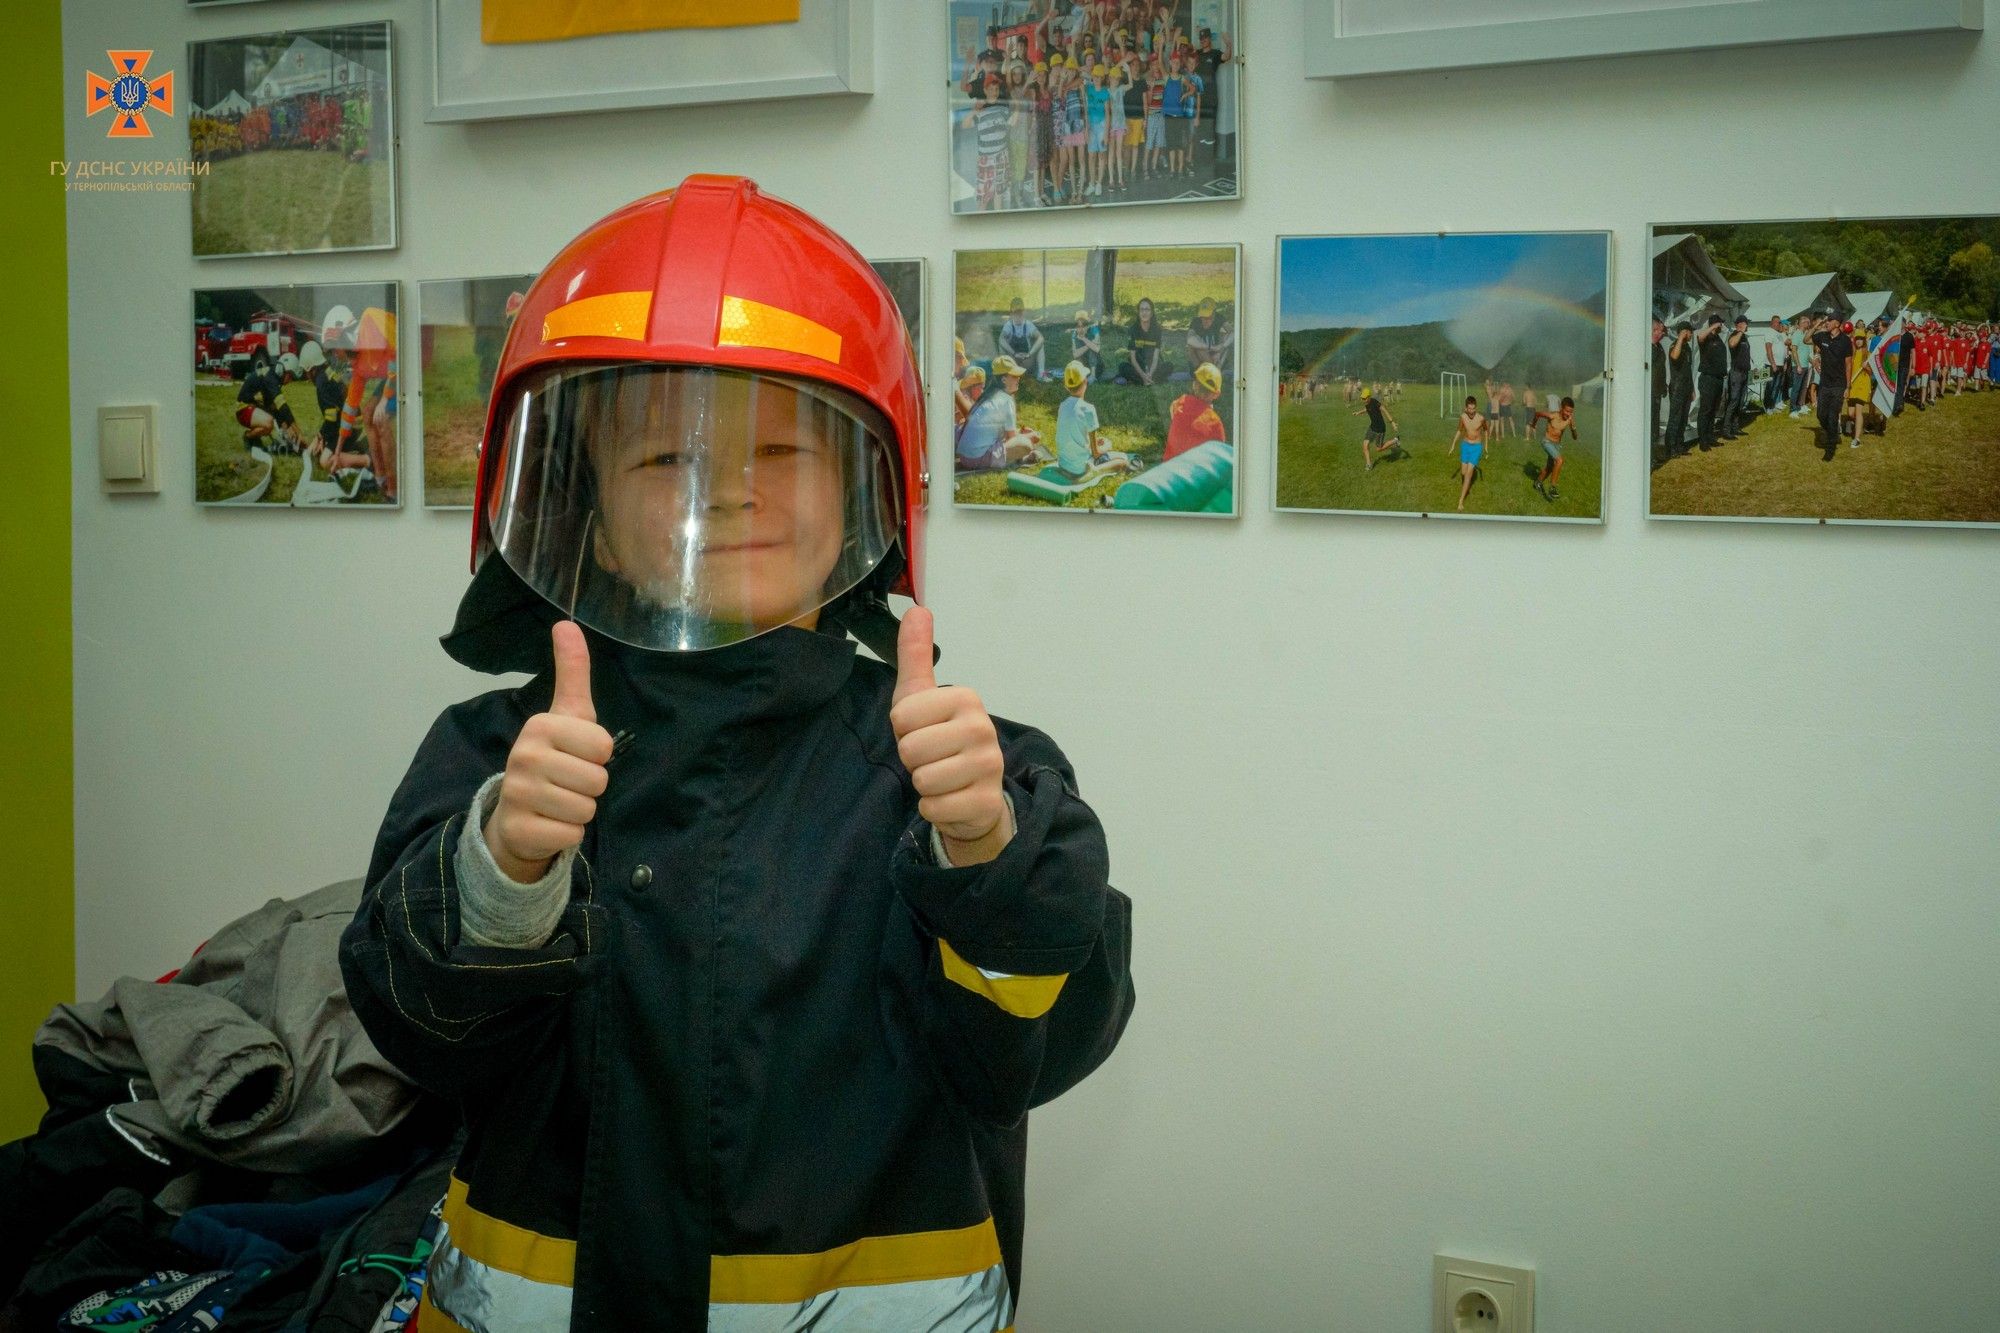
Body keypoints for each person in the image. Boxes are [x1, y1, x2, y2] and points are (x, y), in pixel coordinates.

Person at [338, 176, 1135, 1333]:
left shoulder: (955, 777)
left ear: (869, 487)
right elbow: (413, 1032)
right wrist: (504, 871)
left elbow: (1041, 1048)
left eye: (785, 448)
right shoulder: (498, 759)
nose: (733, 486)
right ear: (588, 510)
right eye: (664, 462)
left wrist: (987, 854)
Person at [955, 354, 1042, 471]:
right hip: (976, 459)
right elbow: (1012, 439)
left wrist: (1019, 432)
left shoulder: (989, 396)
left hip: (965, 456)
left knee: (1023, 440)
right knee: (1025, 444)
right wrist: (1030, 436)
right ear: (1003, 379)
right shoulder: (1006, 400)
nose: (1019, 378)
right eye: (1015, 376)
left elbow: (1004, 435)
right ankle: (1024, 458)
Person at [1053, 359, 1133, 479]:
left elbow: (1073, 436)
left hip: (1063, 464)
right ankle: (1094, 471)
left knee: (1107, 453)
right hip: (1080, 468)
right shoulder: (1088, 409)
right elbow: (1096, 454)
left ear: (1066, 386)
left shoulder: (1062, 406)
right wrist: (1107, 446)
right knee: (1123, 460)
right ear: (1085, 381)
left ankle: (1092, 468)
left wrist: (1093, 444)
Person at [1164, 361, 1227, 462]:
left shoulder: (1181, 402)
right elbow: (1219, 458)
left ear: (1194, 385)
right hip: (1195, 475)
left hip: (1169, 469)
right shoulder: (1216, 423)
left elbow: (1172, 408)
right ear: (1216, 394)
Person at [1810, 313, 1854, 449]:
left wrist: (1847, 387)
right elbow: (1806, 339)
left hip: (1838, 384)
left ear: (1837, 324)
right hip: (1824, 383)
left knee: (1833, 413)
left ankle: (1832, 439)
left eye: (1830, 320)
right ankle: (1832, 432)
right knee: (1820, 414)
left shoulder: (1845, 341)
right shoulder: (1822, 336)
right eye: (1827, 320)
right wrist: (1818, 324)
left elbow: (1848, 365)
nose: (1827, 322)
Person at [1531, 396, 1579, 501]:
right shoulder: (1553, 415)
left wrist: (1573, 427)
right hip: (1546, 441)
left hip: (1556, 445)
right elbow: (1537, 414)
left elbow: (1575, 438)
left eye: (1571, 412)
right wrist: (1534, 424)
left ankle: (1537, 483)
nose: (1568, 414)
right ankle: (1552, 488)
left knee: (1550, 468)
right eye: (1567, 411)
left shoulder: (1570, 420)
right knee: (1559, 460)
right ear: (1561, 408)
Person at [1694, 314, 1728, 450]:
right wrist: (1712, 326)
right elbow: (1700, 337)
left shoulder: (1718, 338)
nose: (1722, 326)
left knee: (1713, 410)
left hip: (1718, 379)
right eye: (1720, 324)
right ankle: (1703, 441)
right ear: (1715, 324)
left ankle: (1710, 437)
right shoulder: (1706, 337)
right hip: (1708, 379)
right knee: (1705, 410)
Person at [1448, 394, 1486, 512]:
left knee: (1468, 474)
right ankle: (1470, 471)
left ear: (1476, 408)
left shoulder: (1481, 418)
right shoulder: (1463, 417)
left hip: (1476, 447)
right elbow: (1459, 430)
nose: (1471, 411)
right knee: (1464, 473)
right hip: (1465, 446)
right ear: (1466, 408)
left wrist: (1486, 447)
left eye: (1473, 409)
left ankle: (1460, 501)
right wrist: (1453, 445)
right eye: (1469, 409)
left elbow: (1486, 430)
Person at [997, 298, 1045, 380]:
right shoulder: (1009, 325)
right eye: (1015, 313)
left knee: (1040, 346)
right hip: (1013, 361)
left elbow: (1040, 338)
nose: (1018, 315)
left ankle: (1041, 374)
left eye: (1020, 312)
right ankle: (1004, 375)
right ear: (1011, 314)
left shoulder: (1028, 325)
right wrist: (1014, 353)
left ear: (1023, 312)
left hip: (1026, 361)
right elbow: (1001, 339)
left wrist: (1029, 354)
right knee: (1001, 345)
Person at [1184, 297, 1233, 377]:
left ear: (1214, 314)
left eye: (1208, 317)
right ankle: (1205, 371)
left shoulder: (1219, 318)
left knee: (1228, 339)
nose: (1205, 320)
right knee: (1194, 345)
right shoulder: (1196, 321)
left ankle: (1216, 370)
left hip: (1215, 357)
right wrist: (1212, 347)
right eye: (1203, 317)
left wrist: (1221, 349)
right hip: (1201, 358)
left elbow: (1232, 332)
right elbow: (1189, 340)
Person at [1355, 385, 1399, 470]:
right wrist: (1358, 413)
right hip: (1372, 427)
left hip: (1380, 429)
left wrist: (1392, 423)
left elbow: (1385, 410)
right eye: (1362, 398)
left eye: (1364, 398)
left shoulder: (1375, 403)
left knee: (1379, 449)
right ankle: (1369, 464)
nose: (1363, 400)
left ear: (1369, 397)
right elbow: (1366, 409)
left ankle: (1395, 440)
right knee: (1365, 445)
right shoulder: (1367, 404)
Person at [1122, 296, 1164, 384]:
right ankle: (1147, 380)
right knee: (1122, 367)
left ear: (1152, 313)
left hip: (1152, 363)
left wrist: (1151, 373)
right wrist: (1142, 375)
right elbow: (1133, 358)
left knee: (1168, 366)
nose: (1144, 312)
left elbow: (1156, 357)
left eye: (1147, 309)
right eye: (1142, 310)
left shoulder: (1157, 330)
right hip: (1139, 362)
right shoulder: (1133, 330)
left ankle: (1144, 380)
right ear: (1138, 312)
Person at [1723, 314, 1752, 438]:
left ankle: (1735, 427)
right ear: (1739, 324)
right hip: (1736, 373)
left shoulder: (1745, 337)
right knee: (1733, 401)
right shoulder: (1735, 334)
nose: (1747, 326)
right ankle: (1726, 430)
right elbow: (1732, 344)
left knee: (1740, 402)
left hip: (1745, 373)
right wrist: (1740, 332)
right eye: (1745, 323)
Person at [1649, 317, 1669, 450]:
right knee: (1649, 421)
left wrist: (1664, 385)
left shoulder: (1660, 347)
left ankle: (1654, 449)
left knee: (1655, 421)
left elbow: (1661, 368)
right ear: (1654, 330)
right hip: (1649, 391)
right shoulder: (1647, 347)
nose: (1662, 334)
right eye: (1661, 331)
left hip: (1657, 390)